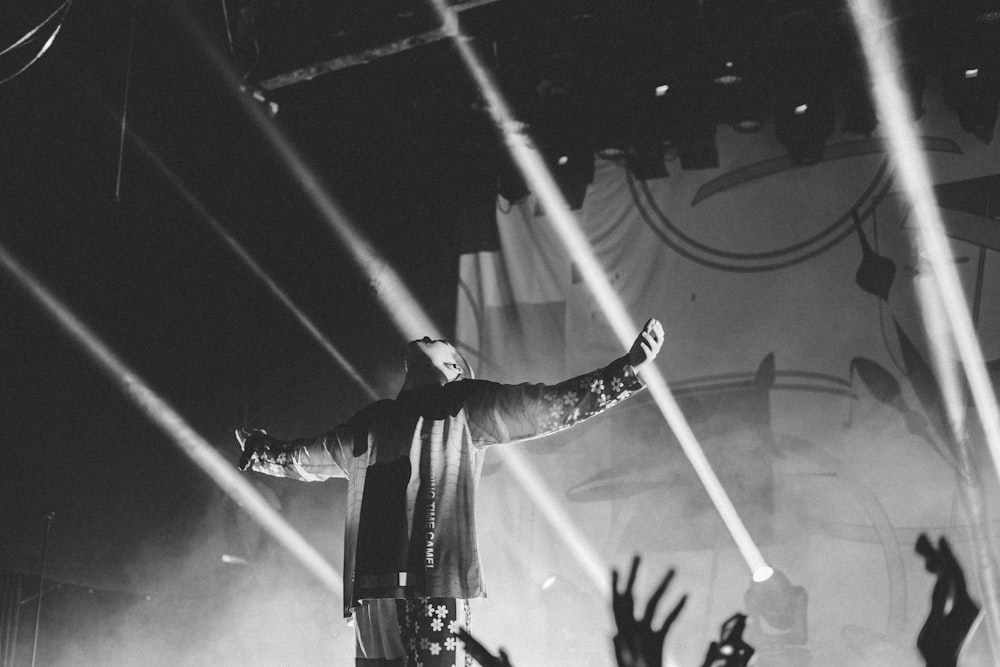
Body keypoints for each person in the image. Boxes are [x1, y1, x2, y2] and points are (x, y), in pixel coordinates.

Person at [236, 318, 665, 666]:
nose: (426, 335)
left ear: (455, 370)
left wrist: (626, 372)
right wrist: (262, 453)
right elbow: (310, 457)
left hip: (430, 586)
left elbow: (547, 407)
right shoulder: (371, 423)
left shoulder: (462, 405)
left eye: (438, 341)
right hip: (373, 593)